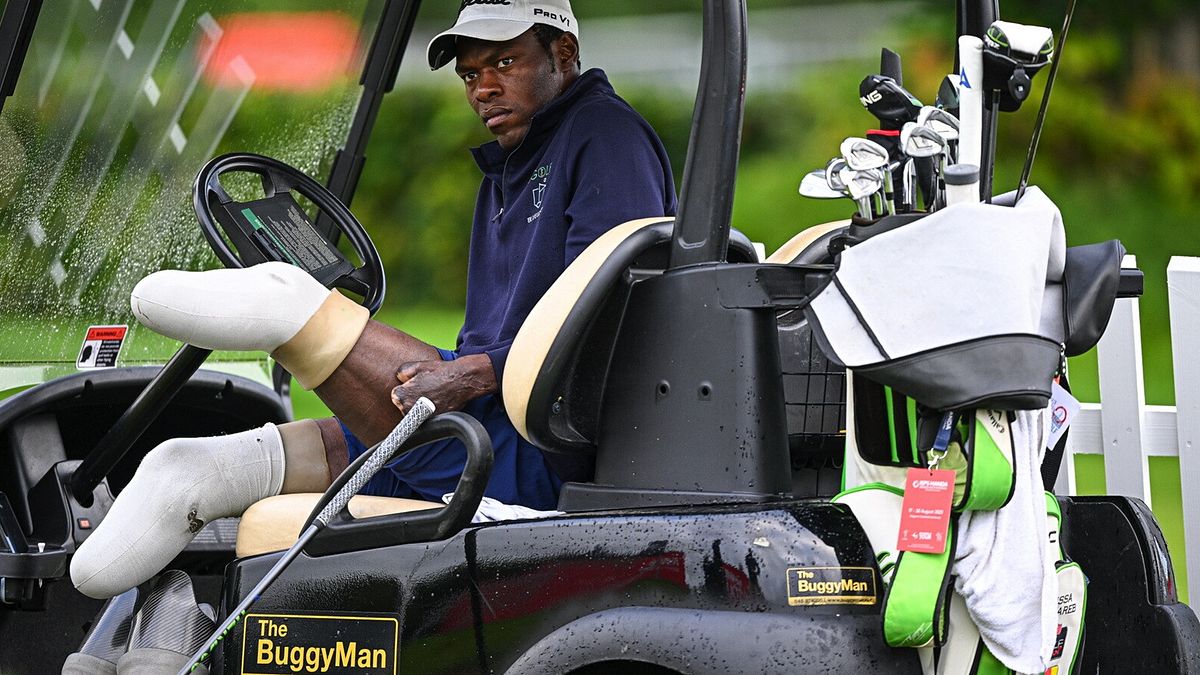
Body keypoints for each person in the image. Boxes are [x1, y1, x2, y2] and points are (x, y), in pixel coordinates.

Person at [69, 0, 677, 602]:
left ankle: (282, 306)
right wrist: (466, 373)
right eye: (470, 74)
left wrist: (468, 375)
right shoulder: (519, 157)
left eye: (504, 63)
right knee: (205, 466)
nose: (484, 88)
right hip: (500, 410)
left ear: (563, 52)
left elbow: (607, 315)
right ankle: (156, 538)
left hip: (542, 443)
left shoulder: (604, 135)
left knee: (295, 310)